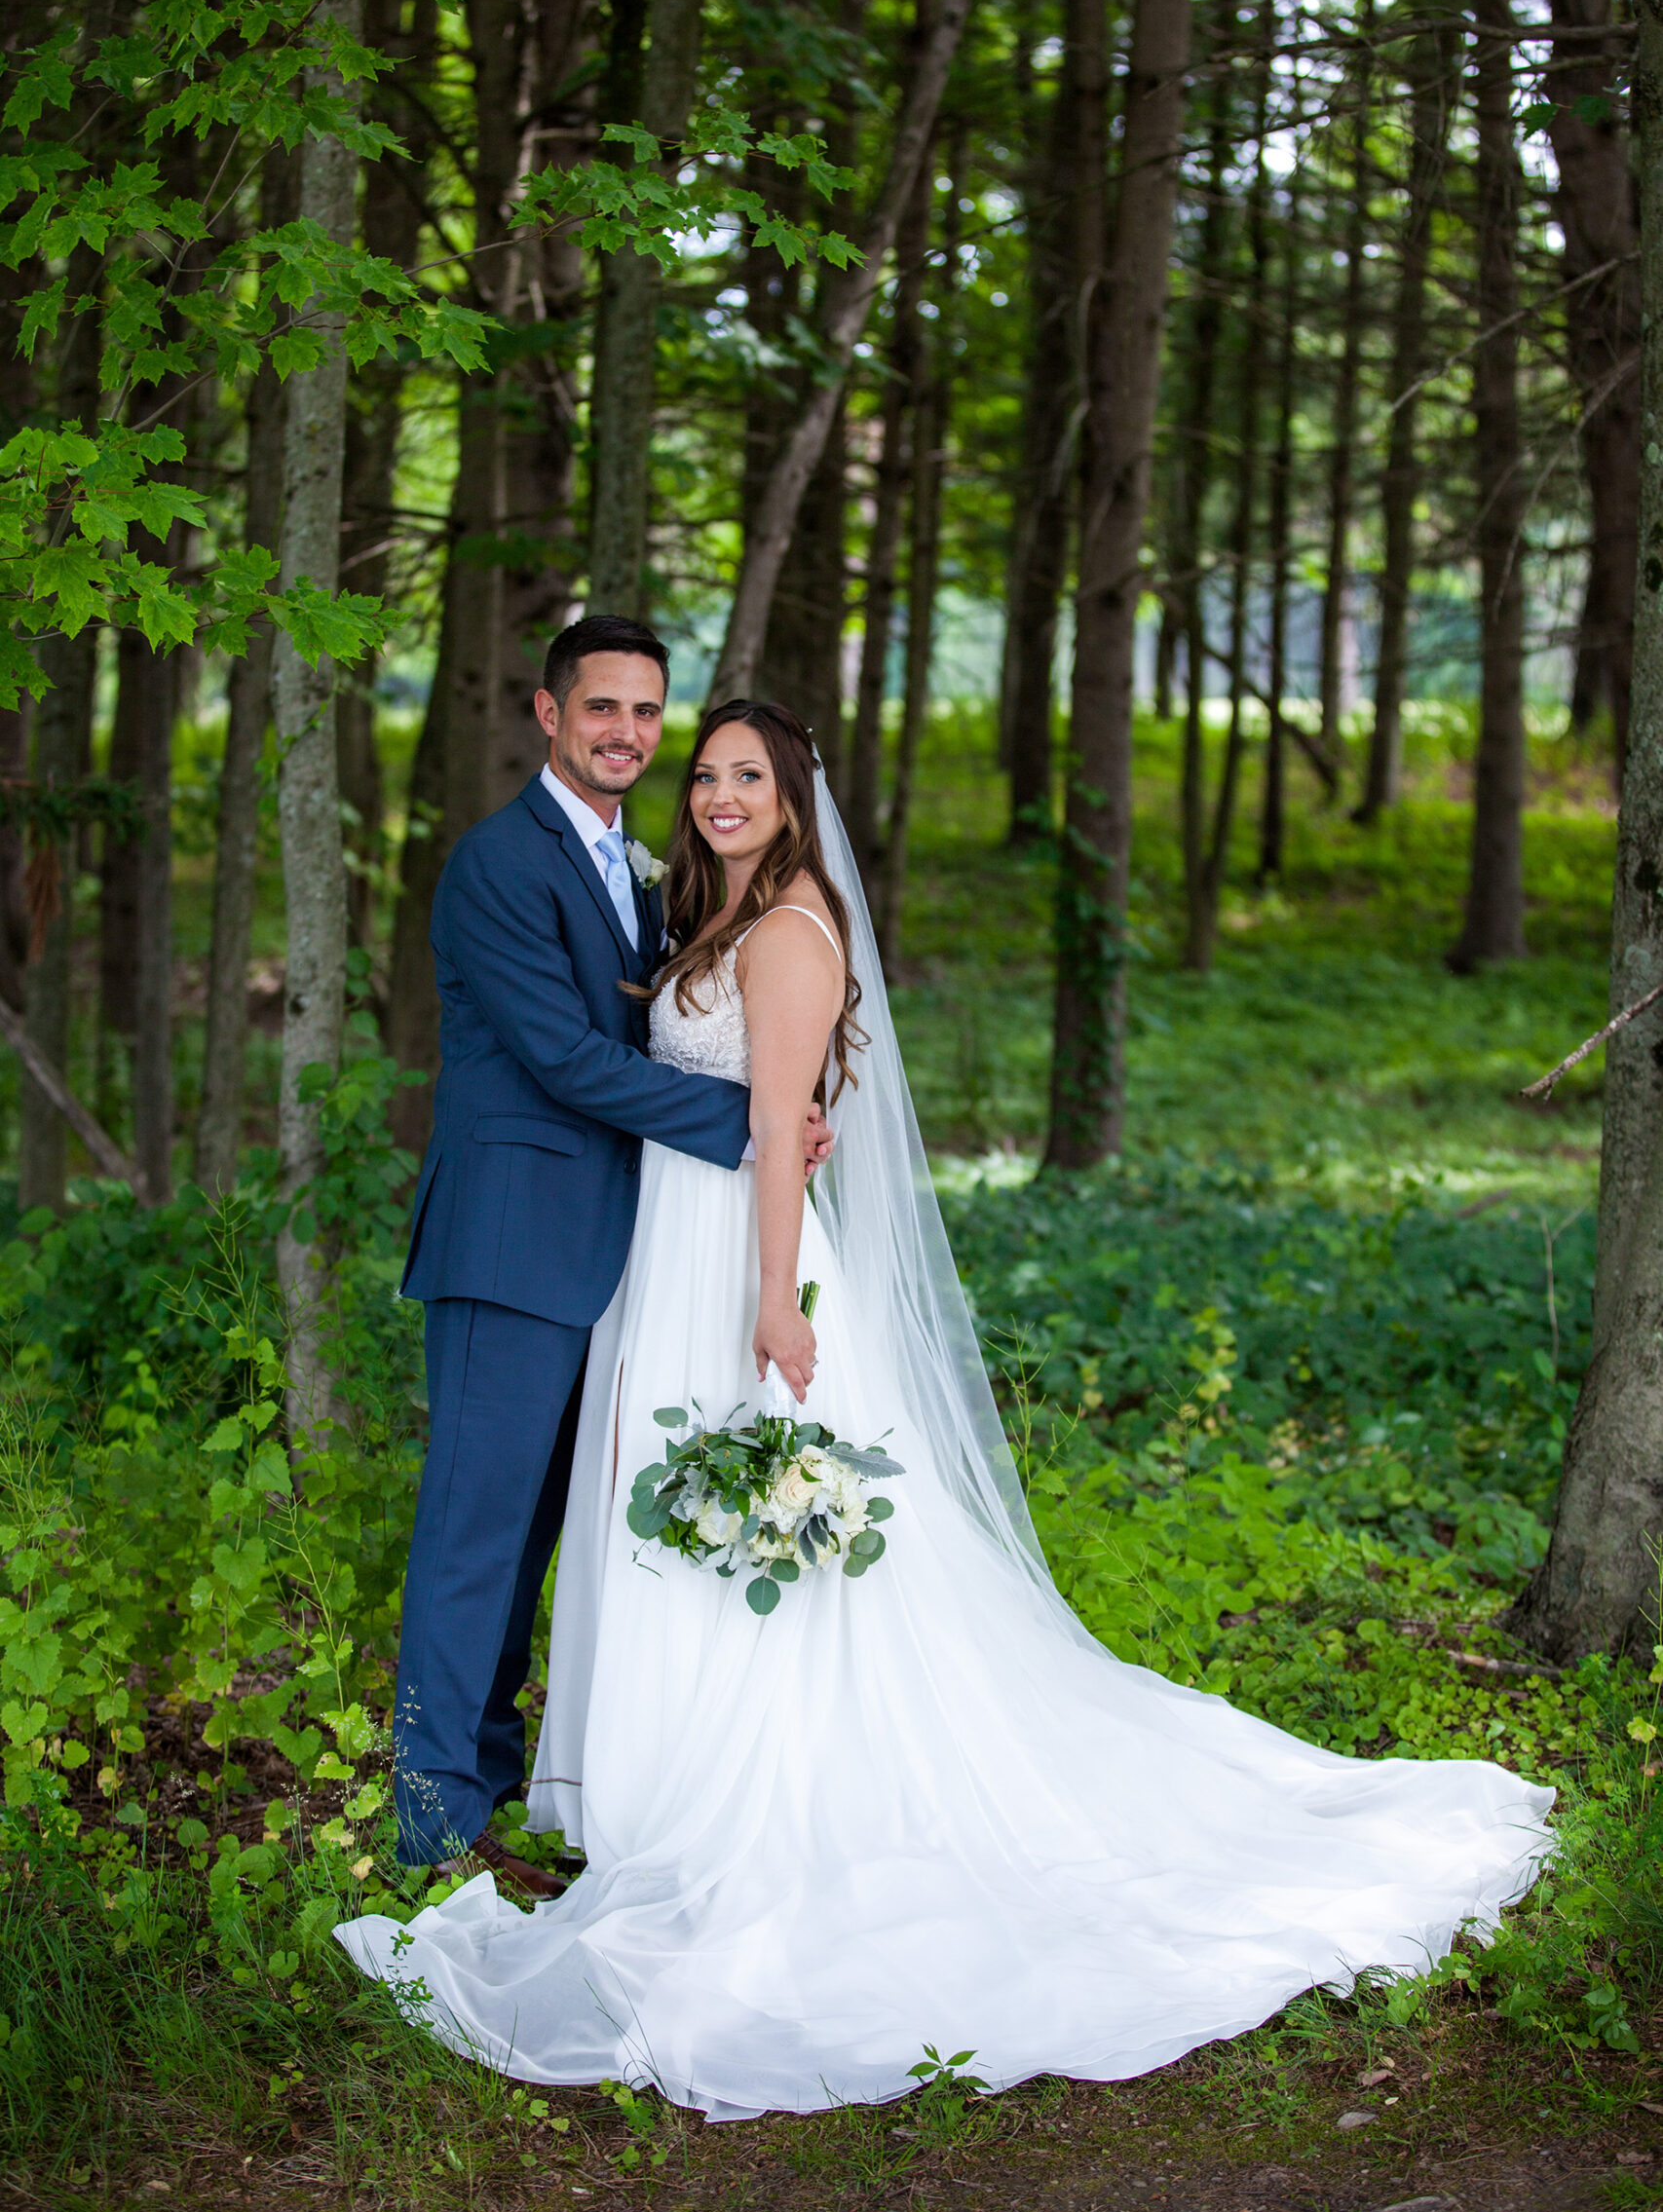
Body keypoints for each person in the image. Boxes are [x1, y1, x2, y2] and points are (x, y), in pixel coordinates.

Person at [341, 700, 1554, 2119]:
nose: (721, 796)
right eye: (708, 776)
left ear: (796, 801)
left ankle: (737, 1800)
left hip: (741, 1262)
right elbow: (687, 1083)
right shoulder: (700, 920)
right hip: (658, 1261)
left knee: (745, 1538)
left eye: (749, 777)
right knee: (656, 1522)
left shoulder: (789, 934)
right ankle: (649, 1797)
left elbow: (774, 1135)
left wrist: (777, 1300)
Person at [390, 623, 831, 1888]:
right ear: (547, 711)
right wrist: (752, 1131)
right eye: (601, 708)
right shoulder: (497, 868)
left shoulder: (634, 872)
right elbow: (567, 1061)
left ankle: (487, 1770)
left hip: (611, 1257)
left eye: (646, 712)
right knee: (476, 1532)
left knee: (534, 1534)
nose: (626, 733)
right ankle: (430, 1822)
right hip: (510, 1245)